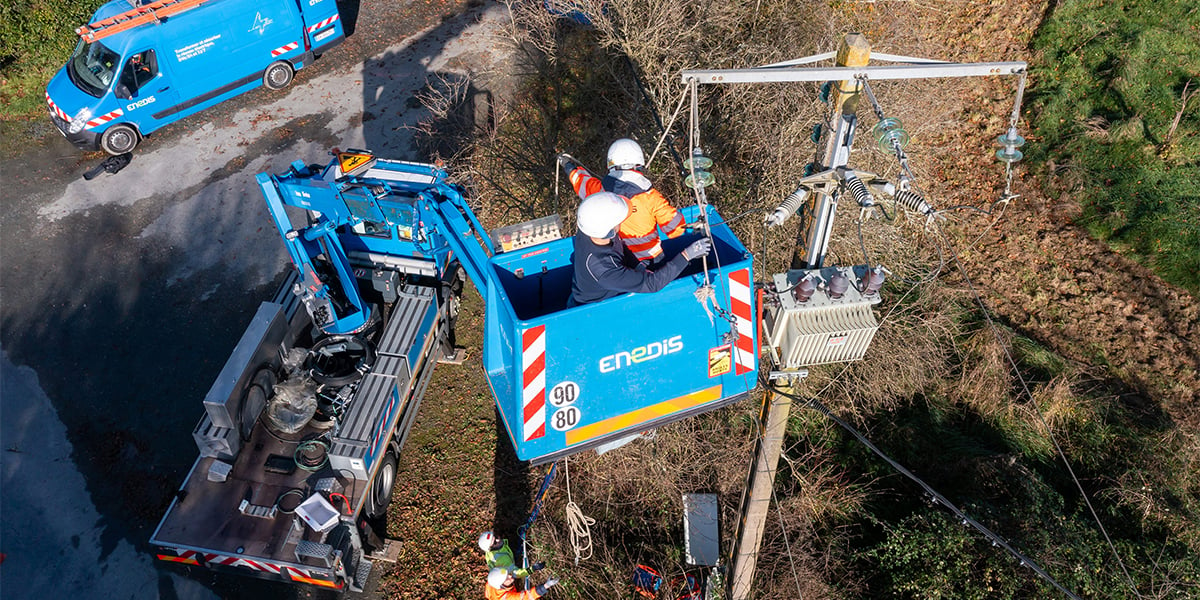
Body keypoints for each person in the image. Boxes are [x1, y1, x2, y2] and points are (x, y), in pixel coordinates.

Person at [568, 192, 711, 307]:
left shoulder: (591, 230)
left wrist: (638, 266)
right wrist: (687, 255)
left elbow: (620, 247)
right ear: (610, 229)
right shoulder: (604, 269)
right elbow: (652, 284)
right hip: (596, 309)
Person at [559, 138, 686, 263]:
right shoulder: (651, 198)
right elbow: (676, 230)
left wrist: (568, 166)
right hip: (651, 259)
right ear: (639, 164)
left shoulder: (600, 192)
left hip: (619, 261)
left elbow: (580, 181)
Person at [477, 531, 544, 575]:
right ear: (490, 549)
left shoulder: (491, 550)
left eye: (496, 536)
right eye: (495, 543)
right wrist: (533, 568)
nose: (498, 540)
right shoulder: (502, 560)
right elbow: (516, 573)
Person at [486, 567, 559, 600]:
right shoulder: (507, 598)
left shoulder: (493, 582)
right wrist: (546, 586)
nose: (510, 576)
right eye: (506, 578)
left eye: (507, 574)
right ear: (501, 585)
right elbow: (526, 597)